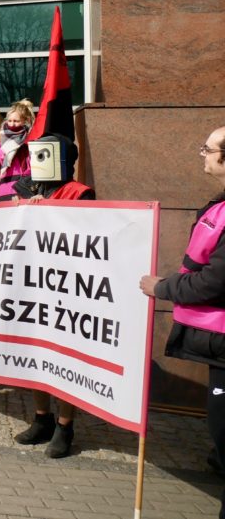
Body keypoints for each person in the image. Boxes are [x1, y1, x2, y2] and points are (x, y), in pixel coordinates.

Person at [140, 125, 225, 517]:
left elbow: (214, 280)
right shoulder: (217, 205)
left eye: (206, 149)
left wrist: (163, 288)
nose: (202, 155)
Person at [12, 133, 95, 458]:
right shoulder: (27, 189)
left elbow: (84, 239)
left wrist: (48, 212)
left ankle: (65, 425)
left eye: (43, 155)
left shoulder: (80, 194)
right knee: (35, 355)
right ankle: (42, 418)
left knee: (63, 358)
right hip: (32, 285)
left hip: (65, 290)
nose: (36, 162)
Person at [0, 99, 35, 202]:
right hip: (4, 196)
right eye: (9, 121)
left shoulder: (31, 142)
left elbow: (33, 171)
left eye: (16, 121)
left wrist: (23, 193)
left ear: (26, 121)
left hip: (25, 196)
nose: (12, 124)